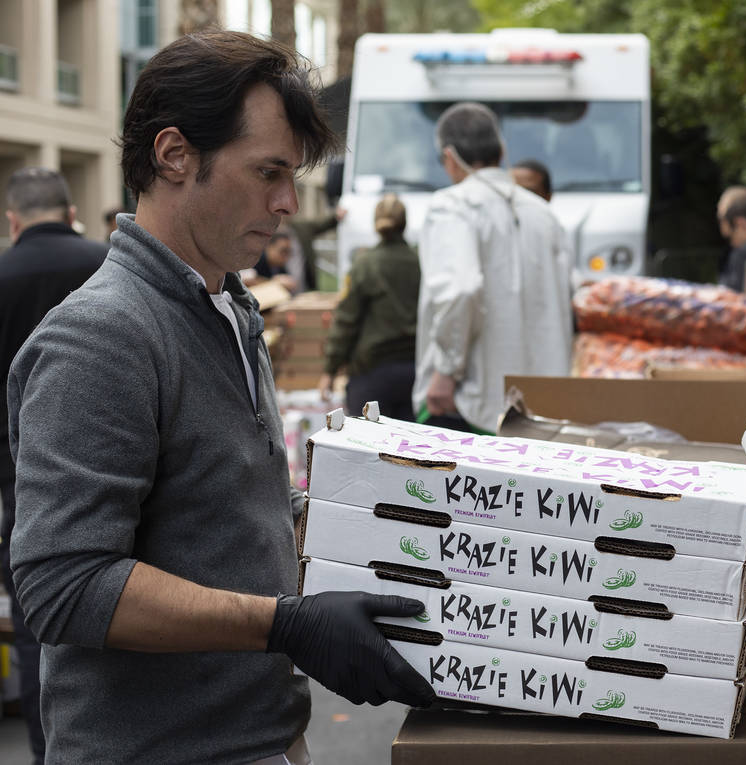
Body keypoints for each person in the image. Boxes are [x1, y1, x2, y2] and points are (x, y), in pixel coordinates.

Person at [6, 31, 435, 765]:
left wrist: (378, 530)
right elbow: (62, 581)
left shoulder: (228, 309)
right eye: (268, 171)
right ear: (175, 154)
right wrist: (284, 624)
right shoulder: (103, 334)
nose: (287, 202)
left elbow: (230, 513)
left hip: (260, 737)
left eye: (292, 175)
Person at [0, 166, 107, 765]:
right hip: (122, 473)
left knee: (39, 621)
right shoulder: (108, 265)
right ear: (70, 212)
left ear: (13, 220)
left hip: (21, 481)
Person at [413, 103, 573, 434]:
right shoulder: (545, 215)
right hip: (548, 411)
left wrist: (445, 372)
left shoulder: (452, 207)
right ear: (501, 152)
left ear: (448, 158)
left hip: (477, 406)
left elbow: (460, 288)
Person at [319, 193, 420, 420]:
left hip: (372, 373)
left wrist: (330, 370)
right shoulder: (419, 263)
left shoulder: (364, 265)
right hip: (414, 372)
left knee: (367, 449)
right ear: (404, 224)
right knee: (409, 450)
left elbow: (346, 321)